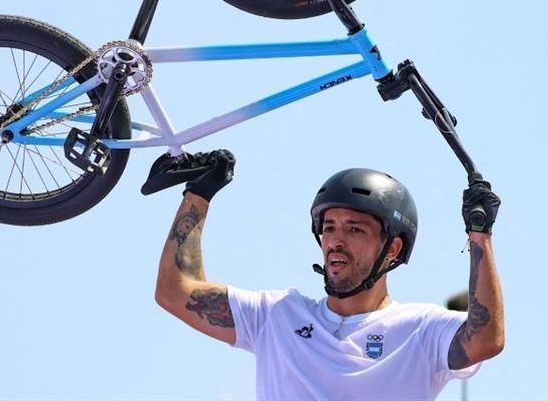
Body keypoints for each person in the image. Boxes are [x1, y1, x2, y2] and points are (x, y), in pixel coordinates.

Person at [155, 152, 504, 401]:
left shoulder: (422, 329)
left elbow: (485, 338)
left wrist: (479, 234)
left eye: (355, 229)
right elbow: (176, 290)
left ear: (393, 249)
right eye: (329, 227)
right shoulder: (276, 315)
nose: (336, 240)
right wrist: (199, 194)